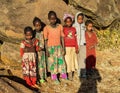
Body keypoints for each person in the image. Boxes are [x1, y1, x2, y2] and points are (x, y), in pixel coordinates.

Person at [43, 11, 67, 84]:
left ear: (56, 19)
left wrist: (64, 47)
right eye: (51, 19)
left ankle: (63, 74)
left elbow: (62, 37)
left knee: (61, 61)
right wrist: (46, 51)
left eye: (54, 18)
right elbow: (45, 40)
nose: (53, 20)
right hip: (51, 48)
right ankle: (54, 76)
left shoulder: (60, 26)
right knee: (53, 63)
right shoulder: (46, 28)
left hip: (59, 47)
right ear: (48, 19)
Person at [63, 14, 79, 80]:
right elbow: (62, 39)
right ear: (65, 22)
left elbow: (75, 39)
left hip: (73, 47)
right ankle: (67, 74)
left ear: (72, 22)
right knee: (67, 61)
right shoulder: (63, 29)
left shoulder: (74, 29)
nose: (68, 23)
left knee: (72, 61)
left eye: (70, 21)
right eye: (67, 22)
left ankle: (71, 75)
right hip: (66, 47)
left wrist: (76, 47)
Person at [33, 17, 46, 83]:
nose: (38, 27)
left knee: (42, 65)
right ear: (34, 26)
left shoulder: (43, 32)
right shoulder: (33, 33)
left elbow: (45, 42)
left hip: (42, 52)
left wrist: (43, 48)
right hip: (36, 52)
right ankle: (37, 77)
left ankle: (42, 77)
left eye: (39, 25)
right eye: (36, 26)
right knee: (36, 65)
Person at [73, 12, 86, 78]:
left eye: (81, 19)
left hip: (83, 44)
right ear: (76, 19)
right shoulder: (74, 26)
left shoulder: (84, 26)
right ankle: (78, 71)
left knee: (83, 58)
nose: (80, 20)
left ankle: (83, 72)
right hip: (77, 45)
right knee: (77, 58)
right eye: (79, 19)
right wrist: (75, 46)